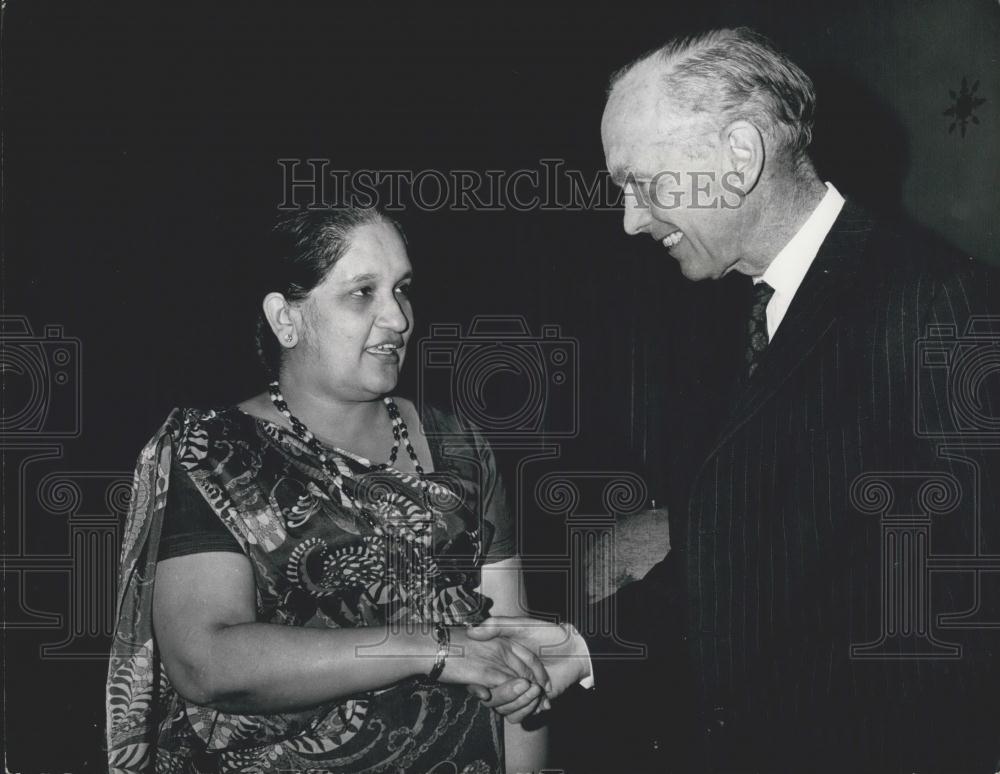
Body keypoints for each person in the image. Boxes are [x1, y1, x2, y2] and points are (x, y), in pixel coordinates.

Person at [469, 27, 1000, 773]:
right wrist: (585, 645)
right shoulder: (736, 312)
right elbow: (754, 558)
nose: (630, 218)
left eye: (644, 183)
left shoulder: (940, 307)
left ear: (740, 156)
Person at [106, 207, 551, 773]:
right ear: (285, 319)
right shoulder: (212, 453)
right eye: (363, 293)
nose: (398, 318)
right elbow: (206, 662)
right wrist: (432, 647)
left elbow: (517, 659)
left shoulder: (462, 444)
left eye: (402, 290)